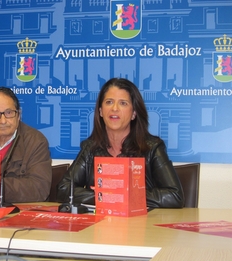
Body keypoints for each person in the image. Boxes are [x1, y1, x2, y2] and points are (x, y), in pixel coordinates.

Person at [56, 78, 185, 209]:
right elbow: (64, 189)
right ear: (100, 111)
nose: (115, 108)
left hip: (139, 225)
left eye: (123, 103)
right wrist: (106, 196)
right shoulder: (90, 148)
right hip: (99, 226)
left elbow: (174, 196)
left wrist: (122, 194)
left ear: (134, 113)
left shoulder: (152, 148)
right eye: (109, 102)